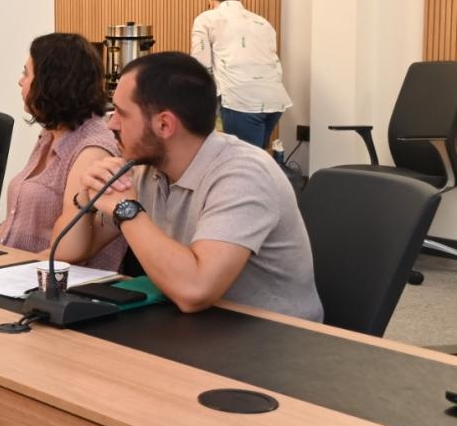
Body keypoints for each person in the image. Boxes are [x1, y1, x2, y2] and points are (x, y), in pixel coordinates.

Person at [78, 52, 322, 320]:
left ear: (164, 124)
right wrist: (85, 199)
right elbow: (74, 251)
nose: (110, 123)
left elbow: (195, 290)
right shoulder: (148, 168)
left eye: (121, 114)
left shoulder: (244, 174)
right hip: (202, 326)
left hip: (276, 335)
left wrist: (126, 209)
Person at [0, 33, 126, 270]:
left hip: (48, 279)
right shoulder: (51, 133)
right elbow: (13, 222)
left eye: (26, 73)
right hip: (16, 270)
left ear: (51, 82)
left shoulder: (93, 149)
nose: (20, 81)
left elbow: (70, 253)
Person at [190, 0, 292, 150]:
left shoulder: (207, 18)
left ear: (211, 2)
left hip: (241, 100)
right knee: (256, 156)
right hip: (274, 100)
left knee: (243, 159)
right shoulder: (261, 21)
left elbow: (201, 64)